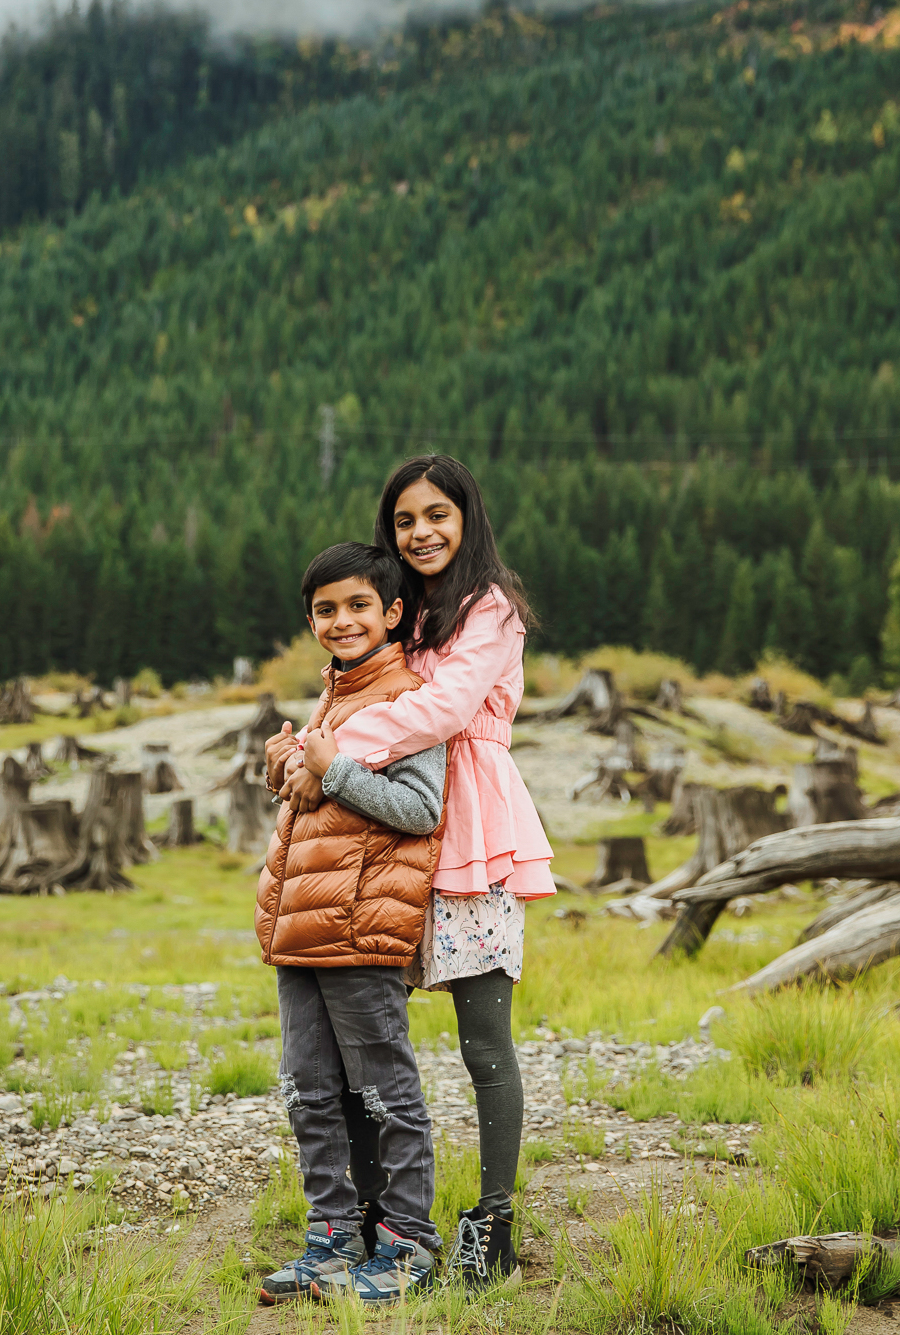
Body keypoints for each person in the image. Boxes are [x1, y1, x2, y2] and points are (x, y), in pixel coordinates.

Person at [269, 453, 552, 1287]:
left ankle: (491, 1223)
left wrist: (330, 756)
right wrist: (302, 758)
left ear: (468, 517)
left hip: (467, 830)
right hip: (384, 848)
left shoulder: (487, 607)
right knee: (362, 1046)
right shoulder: (402, 609)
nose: (421, 531)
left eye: (437, 514)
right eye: (404, 520)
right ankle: (366, 1221)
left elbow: (446, 709)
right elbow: (359, 691)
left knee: (483, 1042)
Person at [254, 541, 448, 1308]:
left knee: (383, 1091)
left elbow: (419, 810)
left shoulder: (410, 701)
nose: (343, 620)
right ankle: (332, 1238)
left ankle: (406, 1245)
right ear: (310, 620)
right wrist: (288, 768)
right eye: (326, 609)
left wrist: (330, 770)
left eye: (358, 605)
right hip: (302, 931)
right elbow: (330, 810)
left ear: (393, 613)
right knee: (309, 1090)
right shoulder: (332, 698)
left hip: (362, 931)